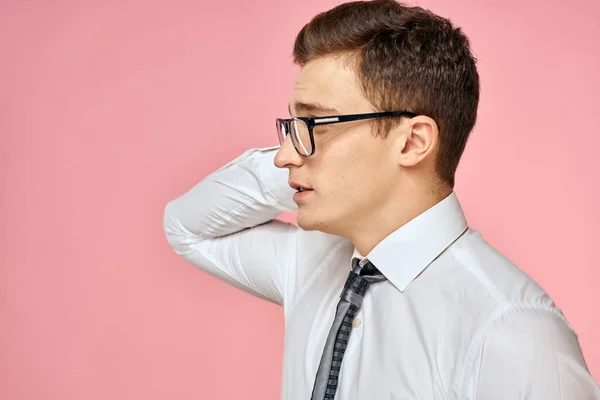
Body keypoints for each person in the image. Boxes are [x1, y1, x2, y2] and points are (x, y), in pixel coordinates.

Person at [163, 0, 600, 398]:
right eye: (293, 126)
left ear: (413, 143)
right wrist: (311, 164)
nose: (282, 155)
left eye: (316, 124)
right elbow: (188, 228)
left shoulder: (512, 332)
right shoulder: (311, 263)